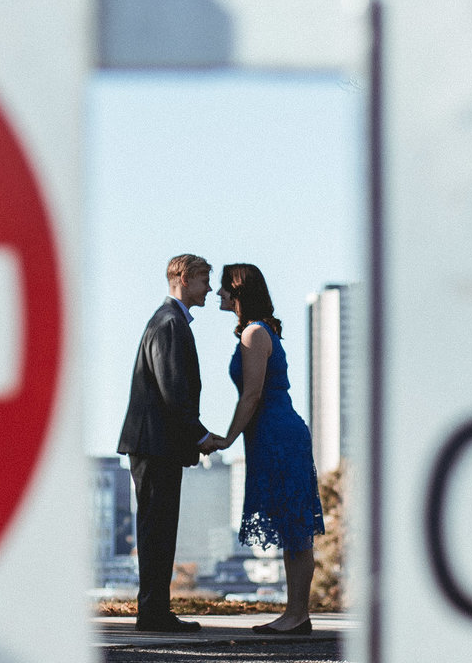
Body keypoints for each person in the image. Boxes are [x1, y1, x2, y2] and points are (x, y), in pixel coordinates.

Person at [202, 262, 325, 636]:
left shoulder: (255, 334)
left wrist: (225, 438)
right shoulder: (260, 331)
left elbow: (252, 394)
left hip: (277, 434)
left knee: (295, 527)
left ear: (238, 293)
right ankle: (295, 614)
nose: (219, 294)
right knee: (293, 528)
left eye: (224, 288)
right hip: (272, 434)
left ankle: (297, 615)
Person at [116, 253, 219, 632]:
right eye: (204, 279)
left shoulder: (168, 321)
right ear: (184, 278)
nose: (209, 287)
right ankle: (154, 612)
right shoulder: (170, 323)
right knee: (157, 528)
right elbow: (173, 389)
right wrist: (201, 435)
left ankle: (155, 609)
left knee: (157, 527)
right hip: (155, 444)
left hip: (154, 443)